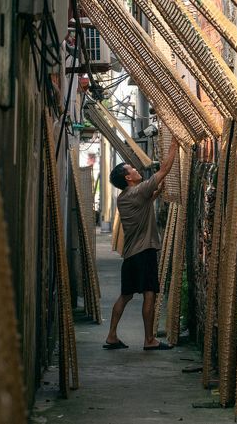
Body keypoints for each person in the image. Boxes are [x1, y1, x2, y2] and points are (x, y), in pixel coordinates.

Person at [102, 137, 178, 351]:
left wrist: (156, 194)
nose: (136, 169)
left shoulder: (125, 197)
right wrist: (173, 147)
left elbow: (145, 201)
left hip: (130, 256)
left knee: (125, 295)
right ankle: (149, 340)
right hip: (144, 252)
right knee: (149, 294)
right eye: (132, 169)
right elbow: (163, 170)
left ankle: (111, 336)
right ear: (128, 178)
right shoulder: (138, 190)